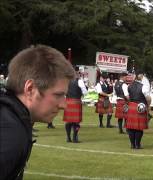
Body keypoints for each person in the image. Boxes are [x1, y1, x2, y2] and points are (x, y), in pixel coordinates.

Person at [0, 45, 75, 180]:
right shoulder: (11, 134)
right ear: (30, 89)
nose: (64, 105)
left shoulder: (12, 119)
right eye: (58, 95)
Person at [63, 66, 88, 143]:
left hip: (68, 101)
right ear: (77, 72)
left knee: (68, 121)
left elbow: (63, 91)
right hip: (76, 101)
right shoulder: (79, 81)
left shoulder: (66, 81)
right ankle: (74, 138)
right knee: (76, 122)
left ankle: (68, 137)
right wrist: (82, 94)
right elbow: (85, 92)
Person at [125, 70, 149, 149]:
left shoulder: (129, 86)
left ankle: (132, 145)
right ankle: (137, 145)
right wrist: (147, 105)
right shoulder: (143, 86)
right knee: (139, 128)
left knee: (131, 128)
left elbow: (127, 97)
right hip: (140, 107)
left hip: (131, 106)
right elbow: (147, 98)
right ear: (141, 77)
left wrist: (131, 103)